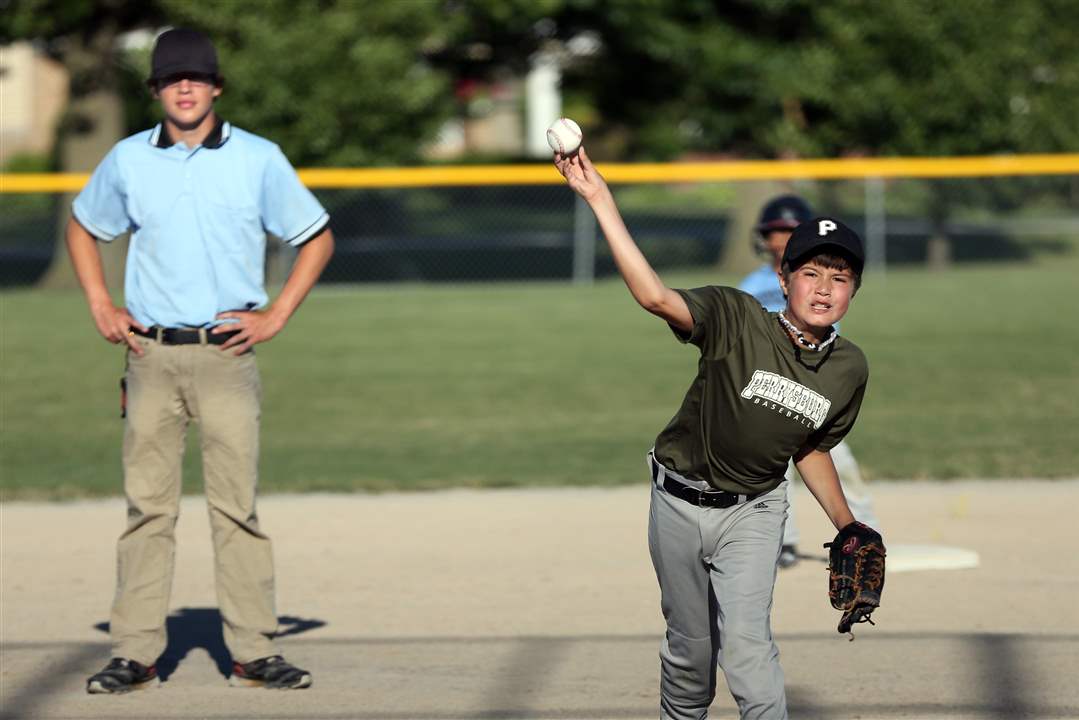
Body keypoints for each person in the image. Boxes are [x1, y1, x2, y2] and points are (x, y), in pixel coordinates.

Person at [554, 148, 877, 720]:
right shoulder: (736, 317)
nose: (824, 289)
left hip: (755, 510)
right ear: (783, 277)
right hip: (678, 501)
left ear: (854, 289)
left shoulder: (849, 367)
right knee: (690, 656)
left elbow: (811, 444)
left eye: (840, 278)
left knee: (749, 650)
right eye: (810, 273)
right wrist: (600, 198)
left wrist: (846, 524)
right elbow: (655, 297)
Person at [68, 28, 334, 693]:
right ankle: (134, 653)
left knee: (236, 508)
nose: (184, 87)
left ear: (216, 87)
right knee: (148, 510)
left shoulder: (258, 158)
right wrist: (101, 303)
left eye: (195, 77)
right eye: (170, 78)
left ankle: (253, 651)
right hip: (150, 354)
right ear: (155, 89)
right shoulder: (129, 159)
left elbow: (316, 238)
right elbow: (83, 226)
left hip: (226, 355)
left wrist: (276, 315)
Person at [740, 195, 881, 568]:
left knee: (839, 463)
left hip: (815, 391)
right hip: (768, 391)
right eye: (776, 231)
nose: (781, 237)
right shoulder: (752, 284)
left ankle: (865, 535)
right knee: (773, 471)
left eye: (790, 230)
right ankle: (782, 542)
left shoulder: (824, 283)